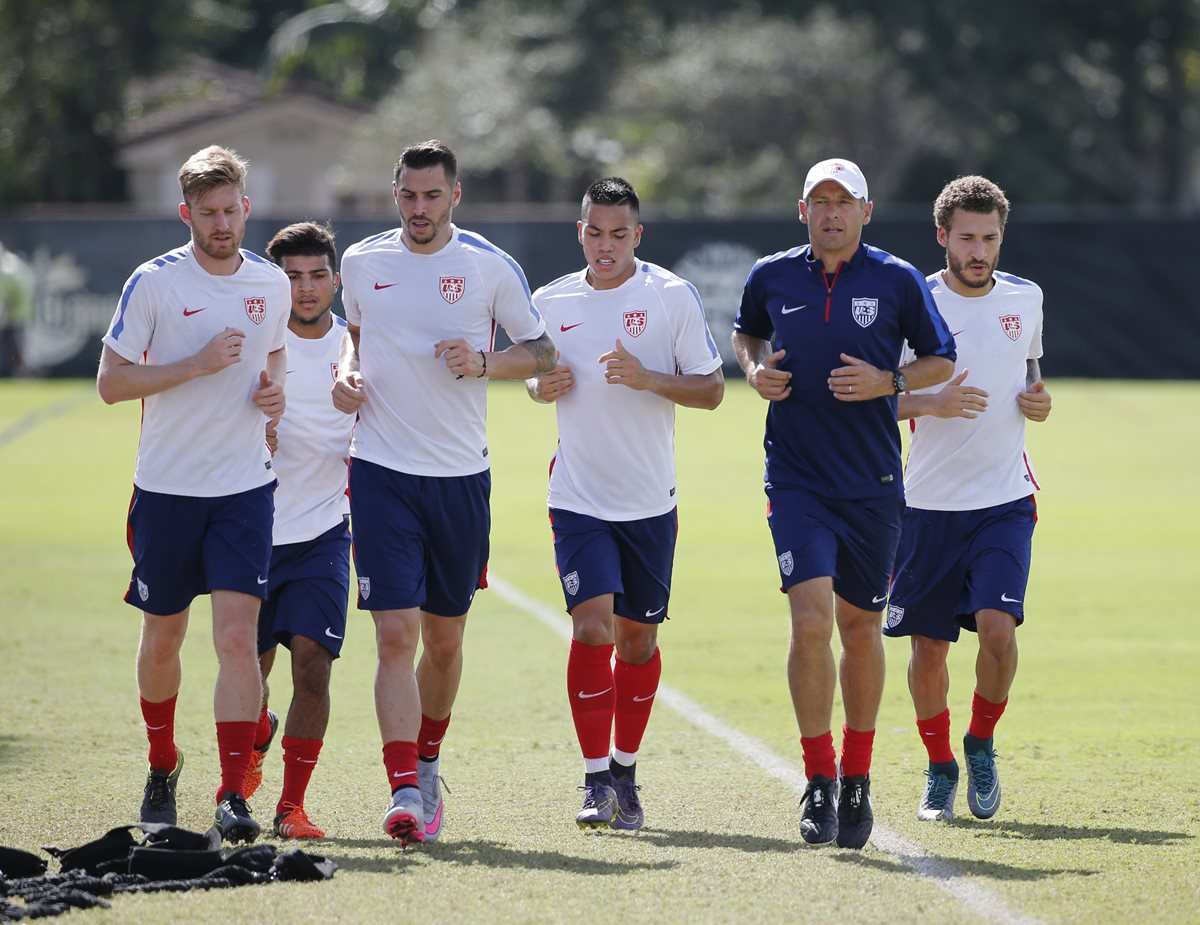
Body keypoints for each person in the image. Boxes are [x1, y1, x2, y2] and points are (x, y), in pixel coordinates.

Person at [333, 140, 556, 845]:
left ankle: (428, 761)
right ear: (393, 193)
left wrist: (486, 362)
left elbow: (544, 355)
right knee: (395, 632)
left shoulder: (490, 266)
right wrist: (345, 371)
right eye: (408, 195)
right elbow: (356, 336)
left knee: (445, 640)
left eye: (432, 196)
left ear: (455, 195)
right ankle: (403, 786)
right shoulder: (362, 262)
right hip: (378, 470)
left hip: (460, 479)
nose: (419, 208)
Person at [732, 158, 956, 849]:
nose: (831, 212)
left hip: (873, 486)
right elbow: (748, 334)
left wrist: (887, 380)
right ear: (803, 210)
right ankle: (818, 777)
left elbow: (940, 360)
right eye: (820, 201)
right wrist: (753, 370)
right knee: (809, 621)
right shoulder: (771, 275)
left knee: (860, 629)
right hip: (796, 479)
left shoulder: (897, 279)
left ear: (866, 210)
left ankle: (858, 776)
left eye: (844, 201)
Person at [96, 145, 290, 843]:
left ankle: (233, 791)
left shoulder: (270, 284)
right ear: (186, 214)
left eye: (231, 210)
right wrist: (194, 365)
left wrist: (275, 392)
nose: (221, 223)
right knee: (162, 637)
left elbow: (274, 356)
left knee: (238, 638)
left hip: (244, 489)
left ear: (246, 207)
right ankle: (161, 763)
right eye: (207, 213)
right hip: (168, 489)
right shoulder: (152, 284)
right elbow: (112, 383)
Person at [527, 177, 724, 831]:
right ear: (578, 230)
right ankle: (592, 782)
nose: (605, 244)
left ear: (637, 235)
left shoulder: (670, 296)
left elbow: (712, 389)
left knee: (636, 642)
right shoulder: (550, 299)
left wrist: (647, 377)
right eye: (594, 231)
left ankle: (624, 771)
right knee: (591, 627)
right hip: (578, 496)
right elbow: (533, 373)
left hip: (649, 501)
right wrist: (539, 386)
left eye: (619, 233)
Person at [885, 176, 1051, 823]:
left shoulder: (1027, 297)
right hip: (925, 506)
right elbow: (877, 398)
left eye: (989, 237)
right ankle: (940, 765)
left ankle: (980, 743)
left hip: (1005, 499)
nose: (979, 250)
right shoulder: (914, 302)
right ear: (942, 237)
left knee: (997, 630)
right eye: (967, 238)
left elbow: (1031, 374)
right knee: (927, 652)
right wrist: (932, 400)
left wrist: (1039, 398)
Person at [235, 221, 356, 840]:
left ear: (335, 279)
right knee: (248, 677)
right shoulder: (257, 342)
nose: (305, 289)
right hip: (252, 530)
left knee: (313, 667)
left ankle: (292, 806)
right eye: (291, 278)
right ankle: (253, 734)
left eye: (316, 276)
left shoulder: (356, 346)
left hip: (324, 532)